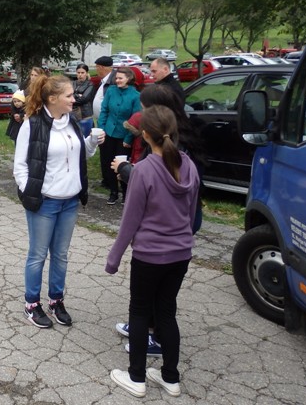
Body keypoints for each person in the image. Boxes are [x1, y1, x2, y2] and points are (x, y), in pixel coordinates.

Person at [106, 105, 200, 399]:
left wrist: (113, 258)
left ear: (144, 135)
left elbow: (130, 221)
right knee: (166, 313)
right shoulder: (190, 166)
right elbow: (191, 212)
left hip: (149, 256)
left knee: (140, 311)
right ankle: (170, 377)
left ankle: (136, 377)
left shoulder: (144, 171)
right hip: (181, 255)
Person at [14, 75, 103, 328]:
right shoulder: (32, 125)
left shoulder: (73, 122)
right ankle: (32, 304)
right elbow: (20, 166)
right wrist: (30, 190)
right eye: (69, 96)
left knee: (61, 256)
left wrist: (92, 142)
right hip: (45, 203)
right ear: (52, 99)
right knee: (38, 255)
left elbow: (79, 153)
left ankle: (56, 300)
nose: (74, 99)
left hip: (70, 201)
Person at [98, 67, 141, 205]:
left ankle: (125, 192)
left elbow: (135, 119)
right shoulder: (111, 91)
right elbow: (104, 110)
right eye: (116, 78)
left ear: (128, 78)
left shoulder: (135, 95)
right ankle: (113, 192)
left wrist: (128, 138)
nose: (117, 81)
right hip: (109, 132)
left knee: (122, 164)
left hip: (124, 135)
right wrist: (101, 129)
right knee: (109, 162)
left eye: (120, 78)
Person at [72, 63, 96, 136]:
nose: (80, 75)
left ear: (86, 73)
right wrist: (77, 95)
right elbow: (65, 95)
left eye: (82, 73)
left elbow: (84, 99)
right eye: (78, 72)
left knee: (85, 137)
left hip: (85, 115)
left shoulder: (90, 84)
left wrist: (72, 97)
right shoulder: (72, 83)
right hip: (72, 115)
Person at [91, 55, 116, 123]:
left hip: (108, 121)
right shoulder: (104, 80)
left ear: (101, 67)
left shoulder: (114, 81)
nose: (96, 70)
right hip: (102, 120)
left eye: (96, 67)